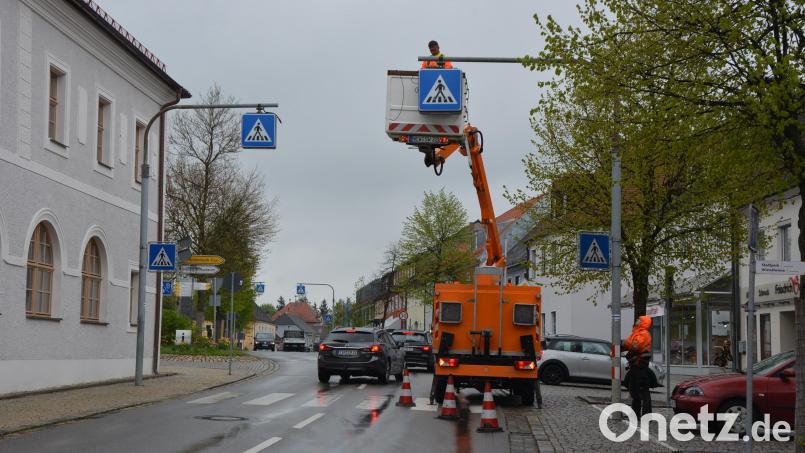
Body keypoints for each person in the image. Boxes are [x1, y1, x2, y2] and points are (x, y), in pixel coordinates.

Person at [623, 315, 653, 417]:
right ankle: (635, 414)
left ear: (642, 322)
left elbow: (635, 346)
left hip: (640, 365)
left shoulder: (644, 334)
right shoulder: (636, 333)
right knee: (634, 390)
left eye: (638, 320)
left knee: (643, 390)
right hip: (635, 365)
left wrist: (625, 343)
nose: (636, 320)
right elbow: (629, 344)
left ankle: (647, 415)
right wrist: (618, 348)